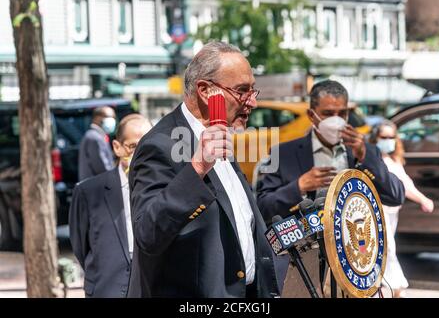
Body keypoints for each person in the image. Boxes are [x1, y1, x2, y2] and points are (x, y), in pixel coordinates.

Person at [127, 42, 280, 298]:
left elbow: (240, 220)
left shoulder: (221, 136)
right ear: (206, 90)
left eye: (253, 90)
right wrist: (197, 167)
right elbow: (148, 234)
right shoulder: (160, 145)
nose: (252, 101)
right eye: (242, 91)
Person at [257, 80, 406, 297]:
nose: (336, 120)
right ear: (311, 115)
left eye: (342, 113)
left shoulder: (362, 151)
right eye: (328, 113)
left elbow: (395, 195)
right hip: (306, 265)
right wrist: (298, 187)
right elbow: (263, 207)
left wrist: (365, 156)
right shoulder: (283, 153)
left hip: (356, 262)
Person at [69, 114, 152, 298]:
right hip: (106, 288)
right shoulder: (88, 192)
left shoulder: (162, 188)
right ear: (117, 147)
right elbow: (80, 245)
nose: (140, 154)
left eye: (146, 146)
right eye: (133, 146)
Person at [370, 120, 434, 298]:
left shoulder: (394, 159)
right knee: (387, 249)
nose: (388, 140)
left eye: (392, 137)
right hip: (379, 212)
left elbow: (406, 185)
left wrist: (422, 199)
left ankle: (391, 289)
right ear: (375, 138)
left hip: (393, 212)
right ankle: (397, 288)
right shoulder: (373, 160)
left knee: (386, 250)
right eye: (384, 137)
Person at [78, 106, 116, 181]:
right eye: (109, 117)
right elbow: (102, 168)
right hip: (96, 188)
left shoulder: (97, 135)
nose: (113, 120)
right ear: (97, 118)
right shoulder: (95, 138)